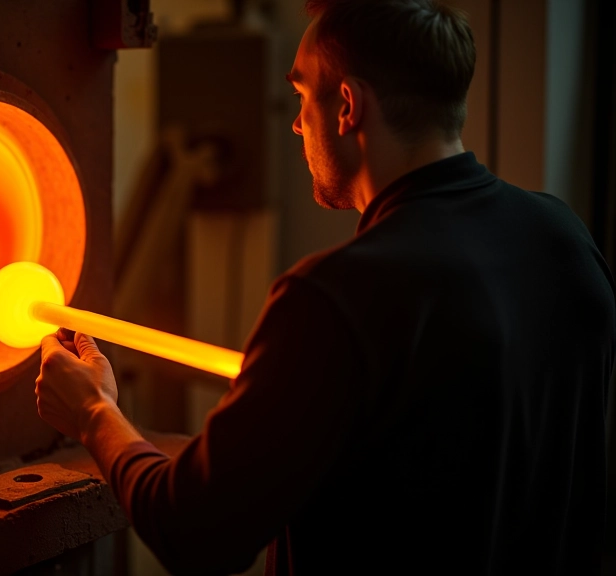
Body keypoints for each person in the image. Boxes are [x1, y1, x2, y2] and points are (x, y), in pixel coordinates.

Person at [34, 0, 615, 574]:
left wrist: (92, 410)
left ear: (346, 106)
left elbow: (195, 532)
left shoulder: (335, 296)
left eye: (300, 94)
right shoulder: (564, 239)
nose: (294, 122)